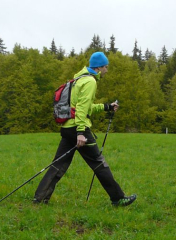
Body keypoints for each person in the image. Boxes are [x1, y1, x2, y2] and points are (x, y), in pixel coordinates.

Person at [33, 52, 136, 206]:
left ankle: (40, 198)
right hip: (78, 130)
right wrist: (81, 133)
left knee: (58, 164)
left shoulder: (78, 79)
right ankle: (118, 198)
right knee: (99, 163)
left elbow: (84, 107)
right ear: (99, 67)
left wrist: (107, 107)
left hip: (68, 128)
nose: (107, 70)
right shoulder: (90, 81)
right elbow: (81, 109)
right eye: (106, 67)